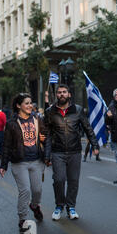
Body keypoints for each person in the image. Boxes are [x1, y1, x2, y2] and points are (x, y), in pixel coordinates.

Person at [44, 84, 99, 221]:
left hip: (75, 151)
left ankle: (71, 207)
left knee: (73, 181)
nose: (62, 94)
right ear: (56, 95)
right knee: (59, 180)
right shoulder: (50, 111)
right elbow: (48, 135)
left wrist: (95, 144)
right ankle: (59, 206)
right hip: (58, 152)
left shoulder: (78, 110)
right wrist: (47, 155)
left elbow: (88, 128)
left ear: (69, 94)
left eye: (64, 92)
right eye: (59, 92)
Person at [0, 93, 48, 232]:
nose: (30, 105)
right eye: (26, 103)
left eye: (31, 103)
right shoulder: (11, 123)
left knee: (37, 190)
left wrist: (45, 147)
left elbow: (46, 136)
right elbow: (6, 145)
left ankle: (34, 205)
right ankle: (23, 219)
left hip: (36, 160)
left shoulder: (38, 119)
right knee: (25, 190)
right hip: (19, 162)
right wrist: (3, 164)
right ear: (18, 105)